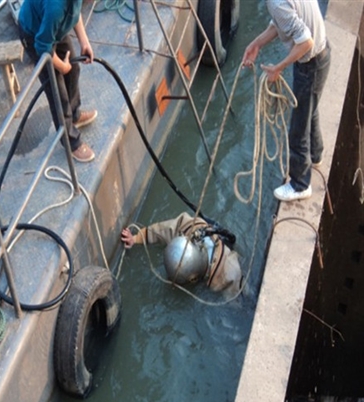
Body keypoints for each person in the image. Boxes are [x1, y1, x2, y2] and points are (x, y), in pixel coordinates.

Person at [242, 0, 331, 202]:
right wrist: (256, 43)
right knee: (311, 110)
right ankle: (316, 156)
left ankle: (300, 184)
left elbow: (305, 41)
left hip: (310, 63)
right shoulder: (280, 4)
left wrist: (278, 67)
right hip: (323, 53)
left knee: (298, 124)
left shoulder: (276, 3)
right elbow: (280, 23)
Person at [18, 0, 97, 163]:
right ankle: (71, 141)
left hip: (53, 27)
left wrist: (84, 41)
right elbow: (42, 46)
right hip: (35, 34)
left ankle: (74, 114)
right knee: (57, 90)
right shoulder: (56, 8)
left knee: (74, 69)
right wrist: (62, 67)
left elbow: (75, 11)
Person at [121, 212, 242, 294]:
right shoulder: (188, 228)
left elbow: (239, 303)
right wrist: (136, 238)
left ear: (193, 279)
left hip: (224, 248)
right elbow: (164, 230)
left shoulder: (226, 274)